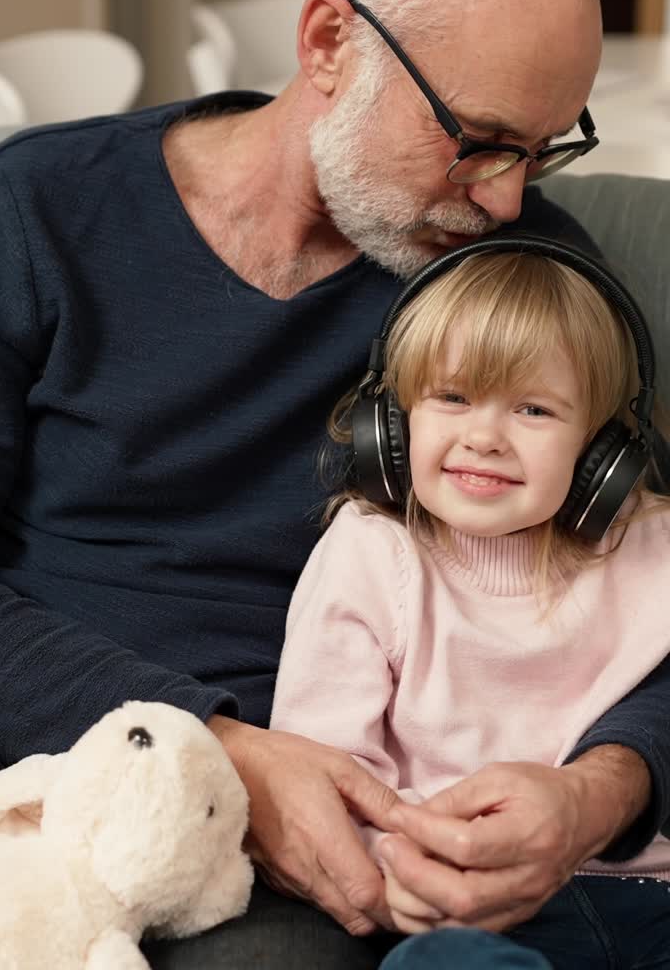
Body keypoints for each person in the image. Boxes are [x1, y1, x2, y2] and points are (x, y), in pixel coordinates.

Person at [0, 0, 668, 970]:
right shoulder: (35, 209)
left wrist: (598, 794)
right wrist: (223, 751)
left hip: (350, 850)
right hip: (51, 786)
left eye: (540, 149)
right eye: (478, 138)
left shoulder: (512, 280)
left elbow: (646, 585)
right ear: (331, 42)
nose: (507, 197)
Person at [270, 237, 670, 970]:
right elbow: (329, 768)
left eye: (534, 409)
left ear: (600, 453)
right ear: (392, 425)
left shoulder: (650, 541)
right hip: (468, 904)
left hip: (651, 891)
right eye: (452, 397)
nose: (484, 438)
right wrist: (403, 874)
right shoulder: (371, 556)